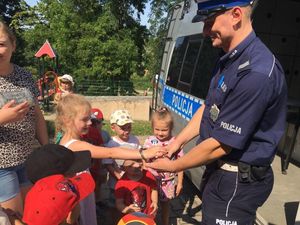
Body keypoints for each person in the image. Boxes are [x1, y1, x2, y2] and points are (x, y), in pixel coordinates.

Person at [147, 1, 287, 224]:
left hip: (236, 183)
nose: (204, 31)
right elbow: (209, 107)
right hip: (220, 174)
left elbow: (221, 143)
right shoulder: (229, 58)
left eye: (209, 21)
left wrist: (173, 166)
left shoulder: (256, 73)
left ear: (236, 15)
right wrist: (177, 143)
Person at [55, 94, 165, 225]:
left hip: (81, 191)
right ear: (68, 120)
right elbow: (111, 152)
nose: (90, 123)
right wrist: (143, 153)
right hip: (78, 196)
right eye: (84, 119)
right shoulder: (74, 145)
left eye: (89, 118)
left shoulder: (72, 139)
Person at [0, 21, 48, 216]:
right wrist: (2, 117)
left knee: (30, 213)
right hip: (2, 166)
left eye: (2, 43)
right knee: (14, 219)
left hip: (27, 160)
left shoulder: (25, 76)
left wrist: (46, 149)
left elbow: (37, 115)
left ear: (13, 44)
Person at [23, 143, 95, 225]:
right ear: (69, 215)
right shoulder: (71, 215)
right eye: (72, 172)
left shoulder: (32, 201)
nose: (76, 174)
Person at [143, 106, 183, 225]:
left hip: (168, 181)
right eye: (157, 129)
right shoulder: (149, 141)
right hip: (151, 180)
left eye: (164, 130)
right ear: (152, 128)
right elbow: (143, 158)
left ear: (171, 128)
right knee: (151, 204)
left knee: (165, 205)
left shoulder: (175, 143)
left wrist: (180, 182)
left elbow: (180, 164)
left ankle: (165, 222)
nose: (160, 133)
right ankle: (151, 222)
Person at [102, 109, 140, 223]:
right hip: (116, 184)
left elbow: (139, 158)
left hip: (132, 182)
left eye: (129, 127)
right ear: (113, 127)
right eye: (123, 128)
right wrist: (118, 176)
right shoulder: (111, 144)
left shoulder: (134, 140)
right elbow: (108, 165)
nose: (126, 131)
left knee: (131, 204)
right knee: (115, 206)